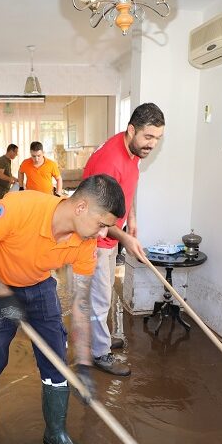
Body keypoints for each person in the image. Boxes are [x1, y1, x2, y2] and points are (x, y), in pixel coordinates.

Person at [0, 175, 127, 444]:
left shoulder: (85, 243)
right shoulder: (19, 208)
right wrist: (2, 294)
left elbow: (81, 304)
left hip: (39, 288)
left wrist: (84, 362)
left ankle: (56, 433)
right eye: (101, 224)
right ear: (81, 207)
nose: (102, 234)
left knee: (56, 360)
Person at [81, 102, 164, 377]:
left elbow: (128, 188)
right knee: (100, 296)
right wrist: (126, 237)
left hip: (110, 232)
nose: (152, 144)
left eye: (157, 139)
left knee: (103, 294)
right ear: (131, 130)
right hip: (93, 236)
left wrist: (133, 219)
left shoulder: (133, 150)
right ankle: (99, 353)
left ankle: (100, 337)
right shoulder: (110, 160)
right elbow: (98, 214)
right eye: (148, 137)